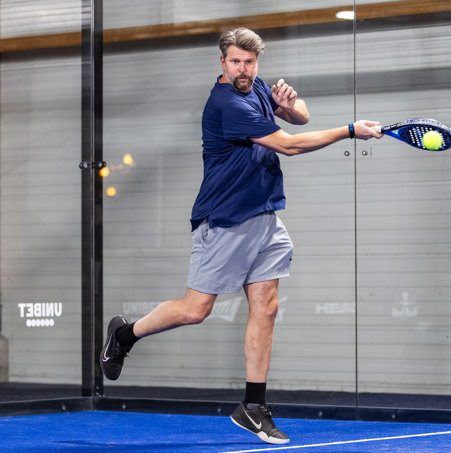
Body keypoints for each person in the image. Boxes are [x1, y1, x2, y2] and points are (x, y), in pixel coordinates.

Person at [100, 27, 383, 445]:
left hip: (266, 217)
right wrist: (349, 130)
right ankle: (125, 333)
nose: (243, 69)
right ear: (223, 62)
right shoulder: (227, 102)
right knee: (196, 309)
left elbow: (300, 117)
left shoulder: (257, 87)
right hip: (224, 220)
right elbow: (289, 145)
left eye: (249, 62)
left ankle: (253, 405)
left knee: (266, 307)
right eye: (235, 62)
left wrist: (289, 104)